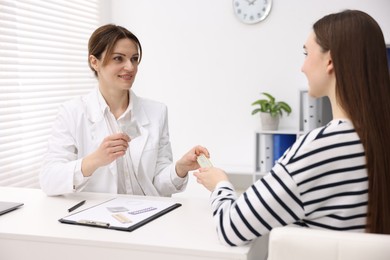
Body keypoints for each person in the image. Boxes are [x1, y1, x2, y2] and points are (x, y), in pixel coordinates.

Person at [194, 10, 390, 246]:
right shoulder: (378, 139)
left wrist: (220, 184)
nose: (303, 67)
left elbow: (232, 228)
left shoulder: (322, 147)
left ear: (331, 61)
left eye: (307, 54)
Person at [40, 24, 209, 197]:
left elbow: (159, 186)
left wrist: (180, 168)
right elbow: (49, 181)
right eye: (118, 59)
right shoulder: (72, 113)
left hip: (148, 215)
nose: (130, 67)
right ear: (94, 62)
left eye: (134, 59)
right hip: (96, 217)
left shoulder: (157, 112)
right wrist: (95, 159)